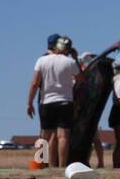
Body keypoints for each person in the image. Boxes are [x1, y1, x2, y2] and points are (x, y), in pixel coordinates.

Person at [26, 34, 82, 167]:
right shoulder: (70, 62)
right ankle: (62, 166)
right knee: (63, 137)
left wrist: (29, 102)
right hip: (65, 101)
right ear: (68, 49)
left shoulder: (42, 60)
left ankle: (41, 163)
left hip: (47, 101)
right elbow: (81, 78)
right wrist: (75, 59)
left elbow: (35, 83)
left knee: (44, 135)